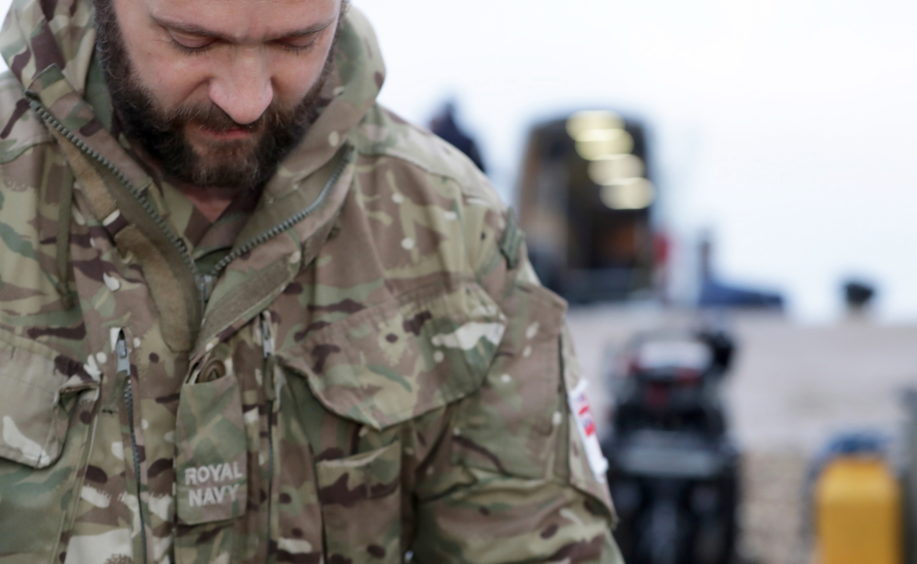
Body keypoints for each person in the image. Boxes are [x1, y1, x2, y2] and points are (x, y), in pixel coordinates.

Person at [0, 0, 623, 561]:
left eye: (297, 43)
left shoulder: (454, 228)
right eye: (192, 41)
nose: (246, 99)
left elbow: (537, 542)